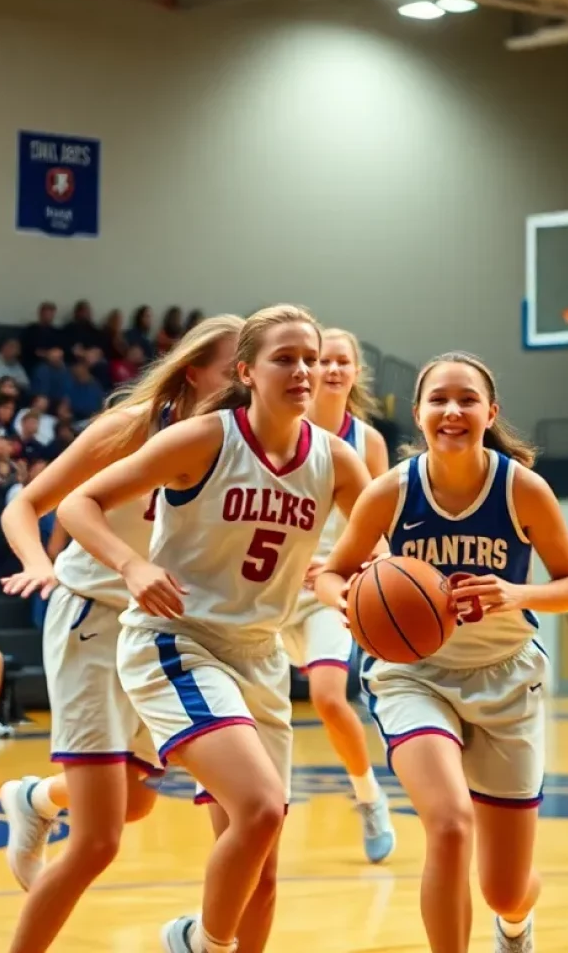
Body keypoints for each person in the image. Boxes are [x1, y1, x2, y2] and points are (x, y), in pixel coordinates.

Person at [56, 304, 373, 953]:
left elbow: (380, 550)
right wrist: (133, 564)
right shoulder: (204, 439)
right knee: (258, 809)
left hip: (259, 657)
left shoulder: (338, 461)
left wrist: (361, 582)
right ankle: (200, 941)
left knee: (263, 871)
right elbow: (76, 502)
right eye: (285, 358)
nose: (303, 370)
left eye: (311, 358)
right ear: (246, 372)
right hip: (179, 642)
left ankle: (210, 939)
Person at [315, 351, 568, 953]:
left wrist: (516, 593)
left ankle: (515, 925)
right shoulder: (389, 492)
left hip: (507, 677)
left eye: (467, 399)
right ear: (417, 414)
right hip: (415, 676)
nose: (452, 410)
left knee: (505, 889)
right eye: (438, 399)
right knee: (448, 823)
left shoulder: (523, 489)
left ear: (490, 413)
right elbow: (332, 574)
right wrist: (354, 605)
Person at [0, 315, 242, 953]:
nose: (243, 380)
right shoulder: (127, 430)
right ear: (193, 372)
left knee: (134, 806)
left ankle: (36, 798)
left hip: (161, 632)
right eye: (230, 368)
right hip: (94, 617)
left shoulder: (234, 444)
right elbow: (24, 503)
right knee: (100, 839)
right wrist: (36, 563)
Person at [280, 327, 395, 862]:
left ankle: (369, 797)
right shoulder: (283, 429)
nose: (331, 369)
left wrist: (357, 562)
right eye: (323, 360)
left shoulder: (366, 441)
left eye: (342, 361)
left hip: (331, 585)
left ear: (355, 372)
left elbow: (384, 526)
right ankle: (258, 806)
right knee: (259, 708)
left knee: (327, 696)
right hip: (271, 587)